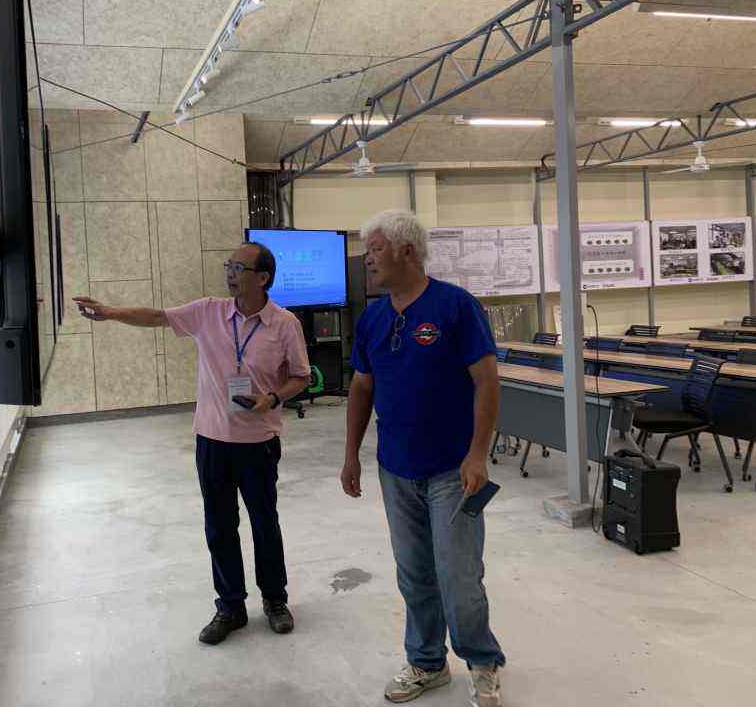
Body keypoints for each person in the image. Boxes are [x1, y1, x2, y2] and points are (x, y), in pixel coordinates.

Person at [73, 242, 311, 646]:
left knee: (264, 524)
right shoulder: (208, 312)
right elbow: (157, 317)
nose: (229, 273)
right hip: (212, 441)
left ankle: (275, 600)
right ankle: (230, 607)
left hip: (258, 442)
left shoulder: (285, 324)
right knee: (219, 526)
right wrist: (110, 312)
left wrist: (272, 399)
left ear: (263, 277)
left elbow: (301, 377)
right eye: (228, 265)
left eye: (238, 267)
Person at [341, 210, 506, 707]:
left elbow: (487, 381)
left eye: (375, 249)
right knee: (413, 573)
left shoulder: (455, 305)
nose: (367, 259)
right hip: (396, 468)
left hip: (453, 470)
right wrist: (351, 455)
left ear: (406, 251)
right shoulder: (373, 318)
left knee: (459, 575)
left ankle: (482, 662)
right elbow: (362, 386)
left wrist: (478, 454)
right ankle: (428, 663)